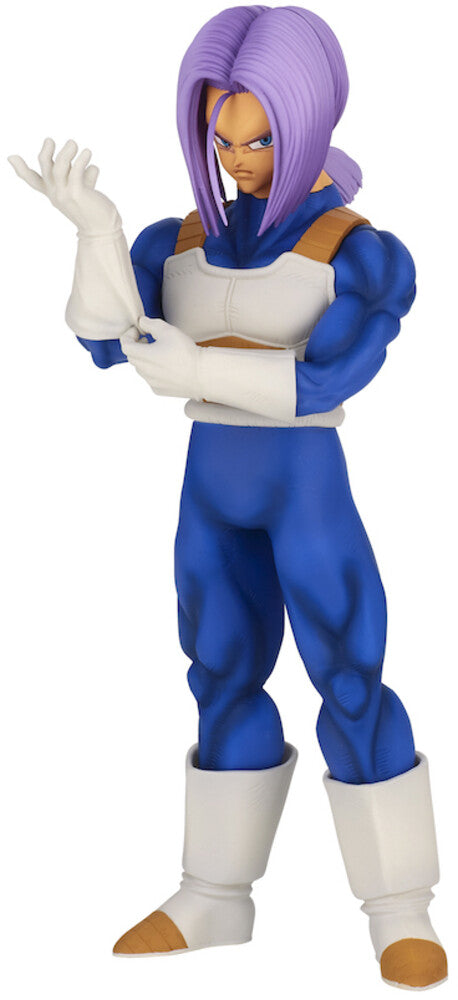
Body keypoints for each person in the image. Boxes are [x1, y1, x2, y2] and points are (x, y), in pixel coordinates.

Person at [8, 5, 447, 990]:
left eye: (261, 140)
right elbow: (104, 341)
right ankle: (213, 894)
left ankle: (399, 907)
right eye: (222, 139)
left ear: (308, 124)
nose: (240, 161)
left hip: (304, 487)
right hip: (211, 489)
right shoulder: (180, 237)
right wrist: (97, 232)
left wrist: (197, 367)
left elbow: (330, 377)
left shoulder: (356, 248)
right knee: (218, 672)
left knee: (349, 675)